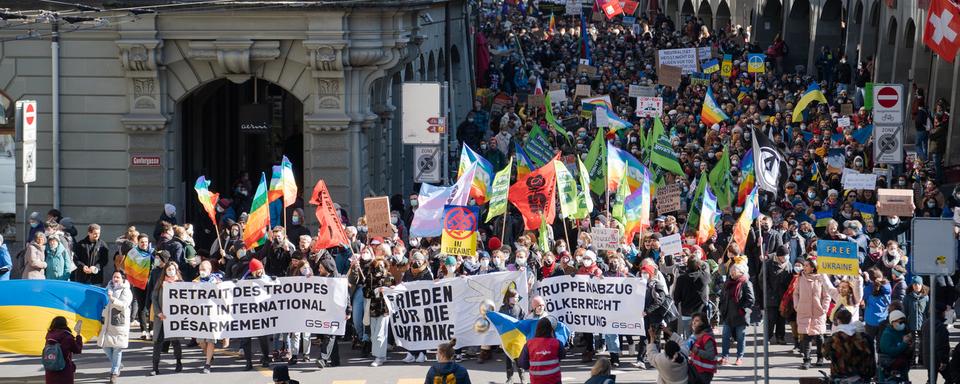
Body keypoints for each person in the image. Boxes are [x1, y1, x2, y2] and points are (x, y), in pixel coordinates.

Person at [793, 258, 830, 369]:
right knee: (806, 337)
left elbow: (826, 295)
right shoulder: (800, 278)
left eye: (806, 266)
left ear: (813, 267)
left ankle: (820, 357)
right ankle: (807, 359)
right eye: (804, 265)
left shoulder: (821, 278)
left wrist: (824, 308)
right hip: (804, 310)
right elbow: (796, 293)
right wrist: (797, 306)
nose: (804, 268)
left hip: (818, 312)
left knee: (819, 337)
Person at [821, 308, 875, 381]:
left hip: (839, 374)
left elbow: (825, 354)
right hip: (860, 375)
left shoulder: (833, 338)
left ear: (838, 320)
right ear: (850, 320)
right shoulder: (861, 338)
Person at [149, 261, 183, 375]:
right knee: (158, 342)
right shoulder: (160, 282)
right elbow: (154, 298)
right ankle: (155, 367)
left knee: (175, 342)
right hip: (161, 318)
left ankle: (179, 362)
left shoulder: (181, 283)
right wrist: (158, 313)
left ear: (176, 270)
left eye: (173, 269)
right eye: (168, 269)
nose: (171, 271)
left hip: (174, 318)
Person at [98, 271, 131, 383]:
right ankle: (118, 364)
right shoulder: (108, 288)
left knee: (117, 348)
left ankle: (114, 372)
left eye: (118, 277)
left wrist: (112, 299)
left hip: (119, 323)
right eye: (114, 277)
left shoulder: (126, 290)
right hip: (107, 322)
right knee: (105, 345)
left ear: (123, 279)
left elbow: (124, 305)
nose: (115, 279)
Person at [719, 260, 753, 366]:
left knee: (740, 337)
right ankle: (725, 356)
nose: (732, 273)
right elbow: (722, 297)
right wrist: (722, 308)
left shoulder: (745, 282)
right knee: (725, 336)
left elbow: (751, 299)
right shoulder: (727, 282)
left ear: (741, 272)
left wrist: (742, 309)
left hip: (740, 316)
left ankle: (739, 357)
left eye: (734, 271)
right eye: (731, 270)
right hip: (728, 314)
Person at [241, 258, 273, 370]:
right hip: (247, 314)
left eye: (261, 269)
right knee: (245, 339)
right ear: (252, 271)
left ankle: (265, 357)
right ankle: (248, 361)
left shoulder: (267, 279)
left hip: (261, 314)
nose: (260, 272)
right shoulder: (244, 280)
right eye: (257, 270)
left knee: (263, 338)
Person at [194, 260, 225, 373]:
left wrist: (218, 287)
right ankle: (209, 355)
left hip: (213, 315)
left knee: (210, 340)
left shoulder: (216, 281)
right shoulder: (196, 281)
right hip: (200, 315)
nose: (201, 271)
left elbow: (224, 296)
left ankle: (207, 364)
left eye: (204, 269)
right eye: (200, 269)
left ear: (210, 270)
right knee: (201, 341)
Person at [367, 257, 395, 367]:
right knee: (374, 335)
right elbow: (366, 293)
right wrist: (376, 291)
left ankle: (379, 357)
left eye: (382, 266)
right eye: (378, 266)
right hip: (373, 309)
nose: (380, 268)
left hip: (385, 309)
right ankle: (380, 355)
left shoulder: (389, 276)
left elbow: (394, 292)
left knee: (380, 333)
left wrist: (391, 289)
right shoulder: (369, 277)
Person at [519, 317, 564, 384]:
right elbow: (562, 356)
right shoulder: (557, 343)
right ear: (550, 329)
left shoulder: (529, 344)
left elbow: (523, 364)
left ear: (537, 329)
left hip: (536, 381)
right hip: (555, 380)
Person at [44, 316, 83, 384]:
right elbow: (77, 349)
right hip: (64, 369)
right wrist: (78, 335)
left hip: (50, 369)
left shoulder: (49, 335)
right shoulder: (67, 336)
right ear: (65, 324)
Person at [499, 288, 526, 384]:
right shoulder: (502, 309)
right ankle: (509, 378)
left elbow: (523, 321)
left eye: (517, 297)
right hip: (507, 338)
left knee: (518, 357)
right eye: (514, 297)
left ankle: (522, 377)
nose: (516, 299)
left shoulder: (519, 309)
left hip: (517, 338)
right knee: (508, 358)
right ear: (508, 298)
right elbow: (500, 324)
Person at [878, 310, 912, 382]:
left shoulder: (902, 331)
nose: (902, 324)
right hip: (889, 369)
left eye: (903, 322)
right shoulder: (887, 335)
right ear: (893, 322)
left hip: (901, 367)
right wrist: (904, 343)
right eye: (900, 322)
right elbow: (891, 352)